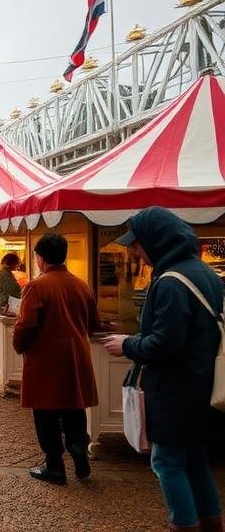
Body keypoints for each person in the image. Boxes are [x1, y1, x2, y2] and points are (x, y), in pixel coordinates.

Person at [103, 207, 224, 531]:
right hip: (202, 385)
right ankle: (212, 523)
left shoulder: (170, 283)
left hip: (175, 390)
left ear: (155, 241)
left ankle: (183, 524)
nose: (136, 252)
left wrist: (127, 344)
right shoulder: (204, 274)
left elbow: (166, 344)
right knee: (196, 460)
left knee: (167, 462)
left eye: (138, 245)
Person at [12, 233, 103, 485]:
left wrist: (18, 344)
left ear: (40, 258)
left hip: (46, 357)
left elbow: (26, 324)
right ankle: (77, 448)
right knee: (74, 407)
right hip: (77, 355)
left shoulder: (37, 286)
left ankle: (54, 465)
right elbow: (94, 324)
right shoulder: (81, 284)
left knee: (46, 412)